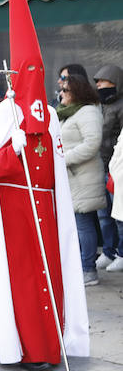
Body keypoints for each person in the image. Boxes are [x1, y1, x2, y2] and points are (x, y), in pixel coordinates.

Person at [0, 0, 89, 371]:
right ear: (14, 74)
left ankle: (51, 342)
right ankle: (27, 348)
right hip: (15, 210)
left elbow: (56, 161)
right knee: (25, 280)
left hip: (45, 205)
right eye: (29, 71)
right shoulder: (0, 116)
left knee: (51, 276)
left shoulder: (48, 114)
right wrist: (14, 146)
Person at [57, 73, 105, 286]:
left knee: (84, 223)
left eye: (66, 90)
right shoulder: (67, 113)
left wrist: (63, 159)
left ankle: (88, 270)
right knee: (75, 224)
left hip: (83, 177)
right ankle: (78, 267)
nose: (61, 93)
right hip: (70, 178)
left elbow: (92, 143)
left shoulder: (87, 112)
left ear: (77, 91)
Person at [93, 64, 123, 271]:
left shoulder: (120, 106)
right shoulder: (101, 105)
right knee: (104, 214)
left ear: (115, 83)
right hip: (102, 166)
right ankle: (109, 250)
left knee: (119, 214)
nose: (99, 86)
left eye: (103, 82)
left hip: (117, 168)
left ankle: (121, 253)